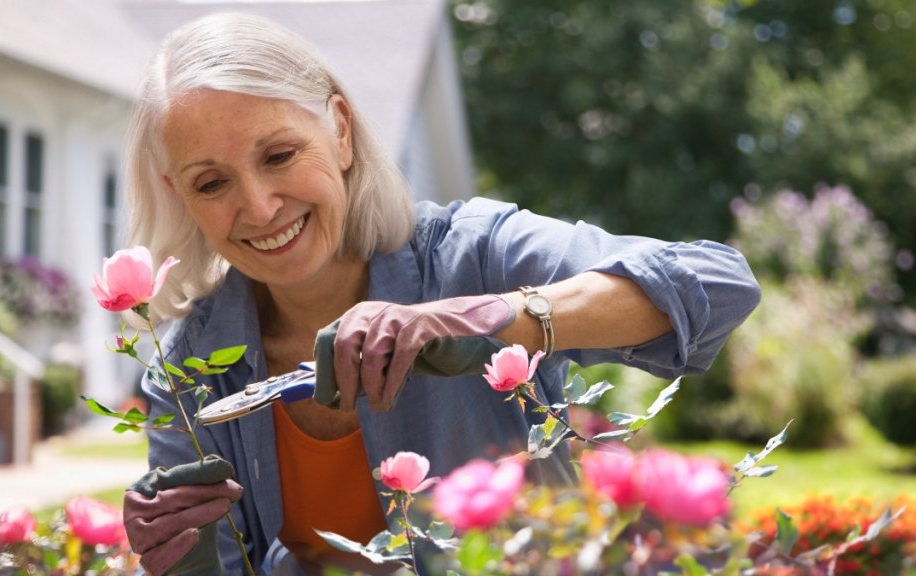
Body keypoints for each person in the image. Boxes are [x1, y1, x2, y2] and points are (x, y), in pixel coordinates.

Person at [120, 11, 761, 576]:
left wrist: (493, 315)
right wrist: (183, 559)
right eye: (211, 184)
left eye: (280, 155)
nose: (258, 207)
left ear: (340, 131)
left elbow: (717, 285)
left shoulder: (474, 255)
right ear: (180, 195)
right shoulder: (188, 372)